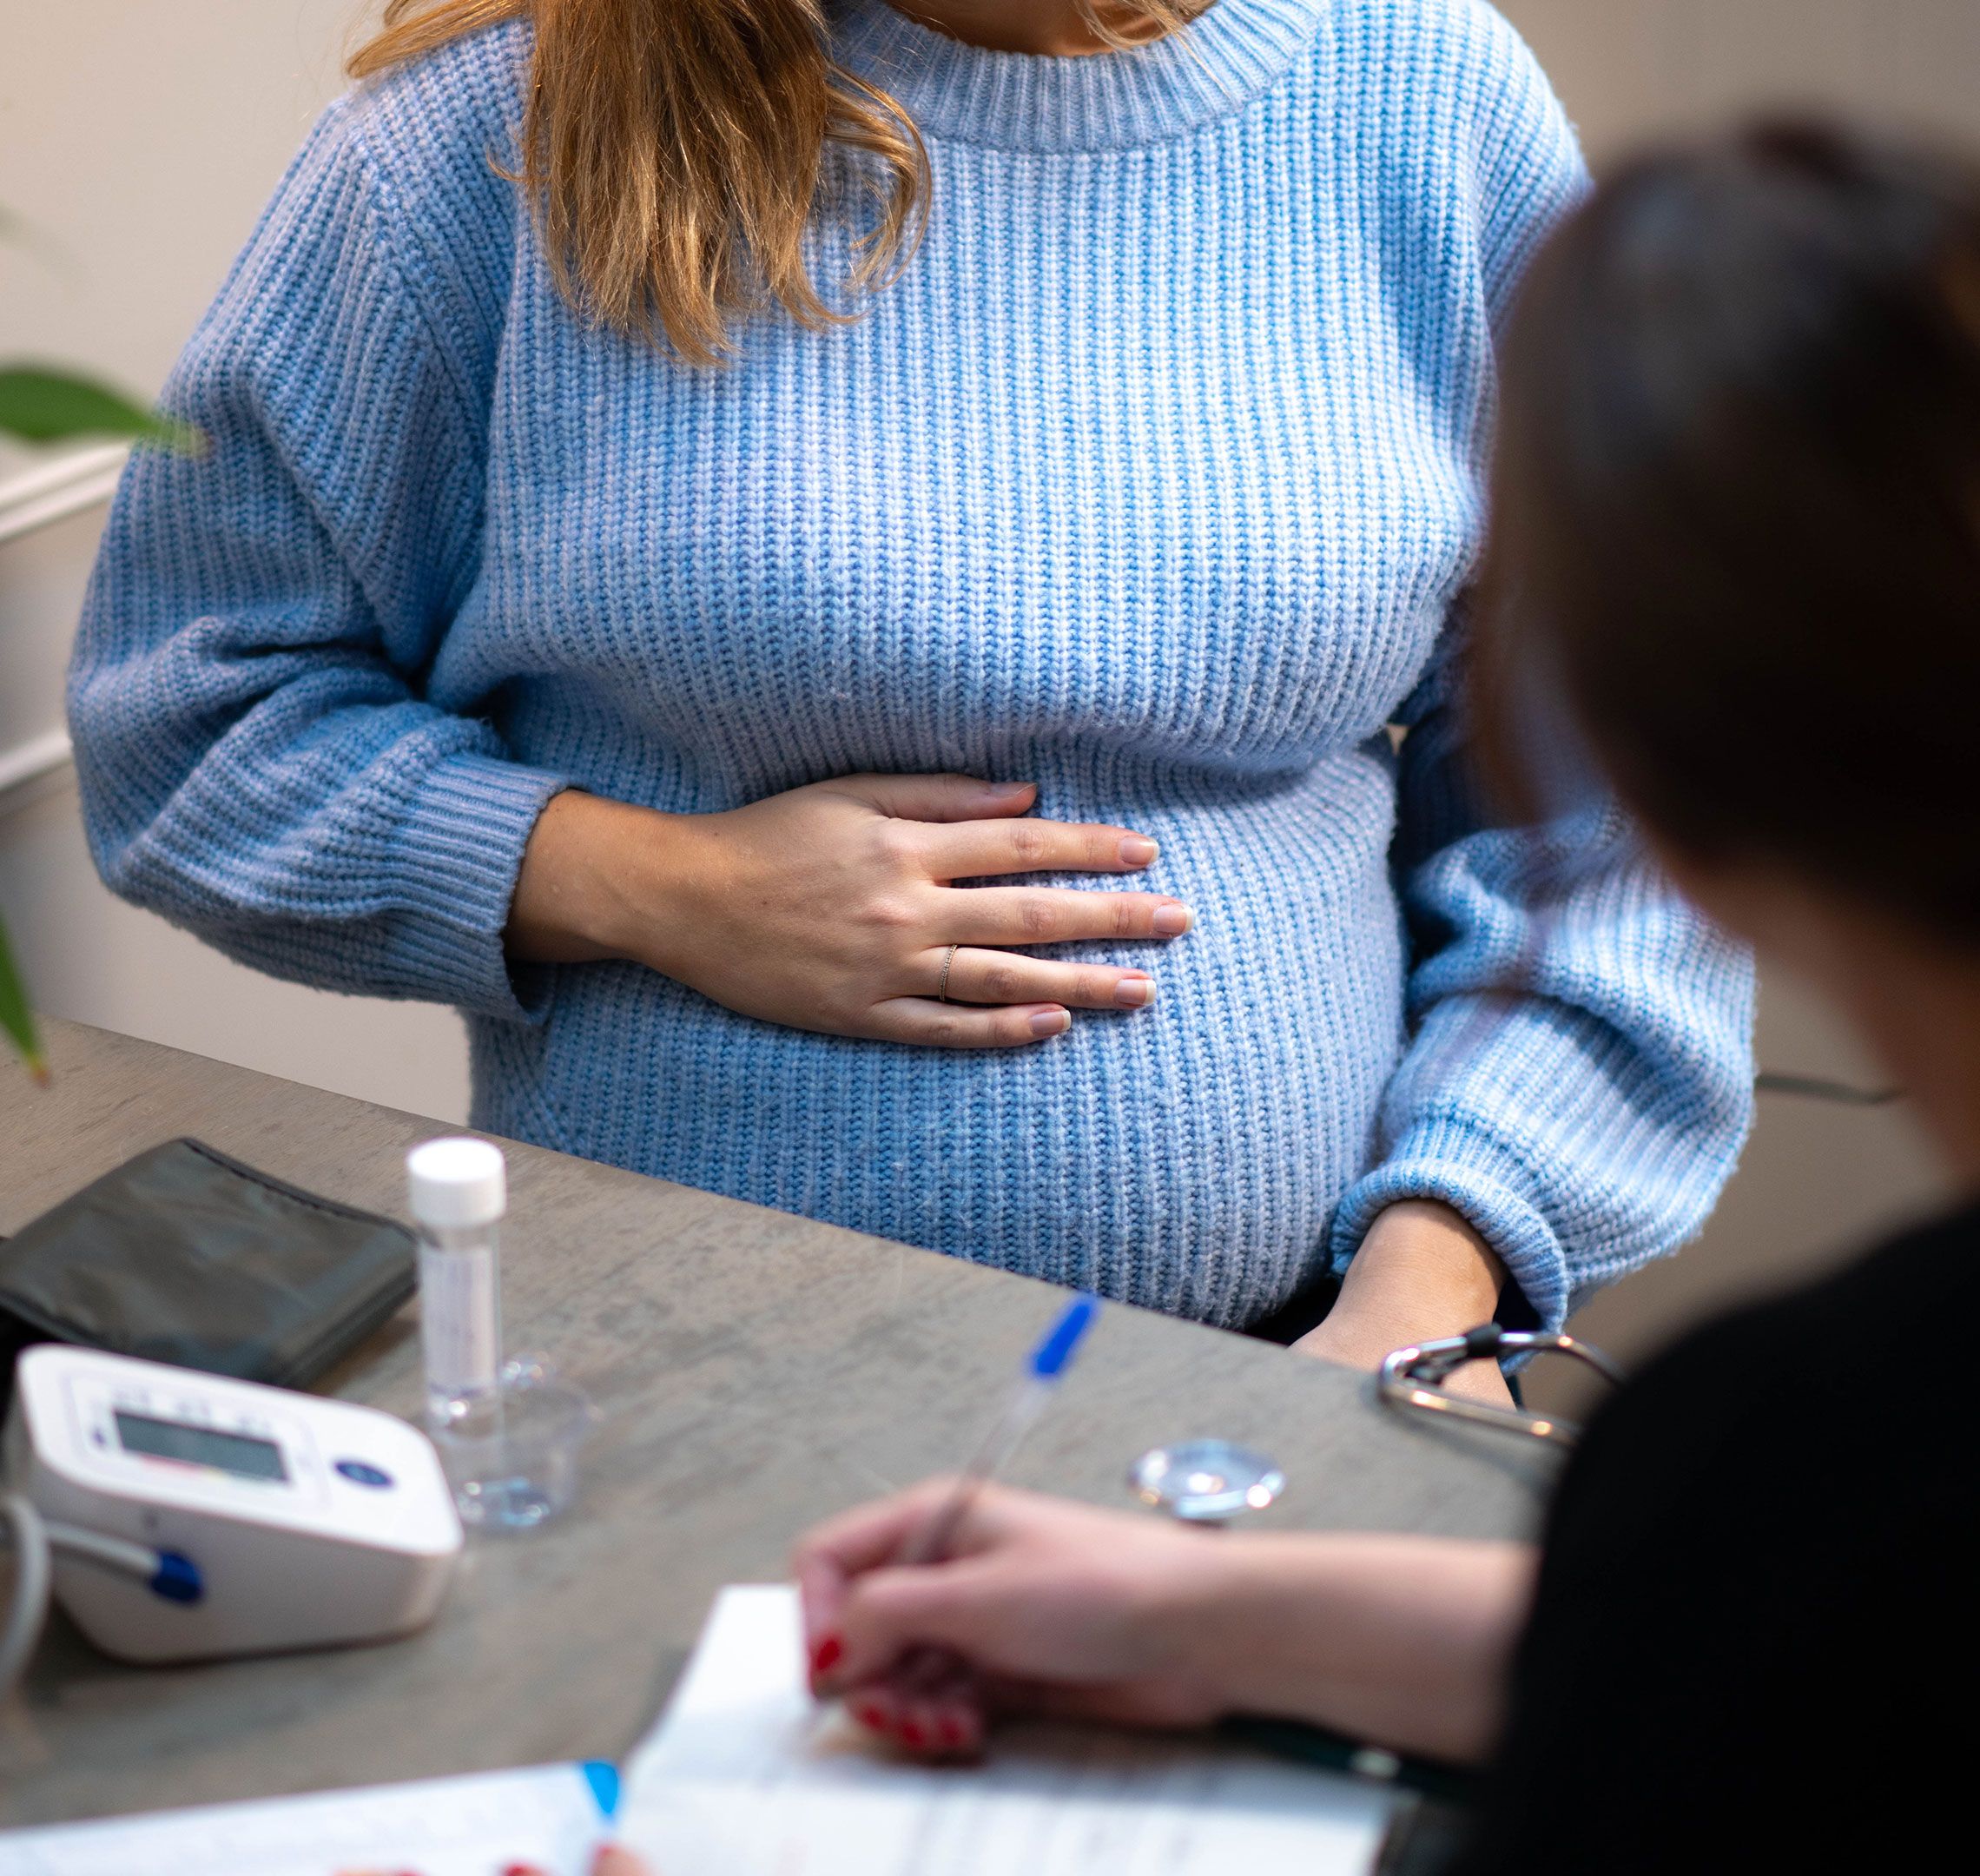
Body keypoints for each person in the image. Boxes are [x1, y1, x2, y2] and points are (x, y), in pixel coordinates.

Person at [68, 0, 1752, 1377]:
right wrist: (660, 889)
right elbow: (194, 719)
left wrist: (1425, 1291)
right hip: (656, 1380)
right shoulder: (488, 137)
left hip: (1298, 1371)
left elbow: (1622, 819)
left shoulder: (1428, 94)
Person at [791, 122, 1980, 1870]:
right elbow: (1784, 1649)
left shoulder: (1801, 1454)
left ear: (1645, 812)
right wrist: (1193, 1623)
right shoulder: (1811, 1493)